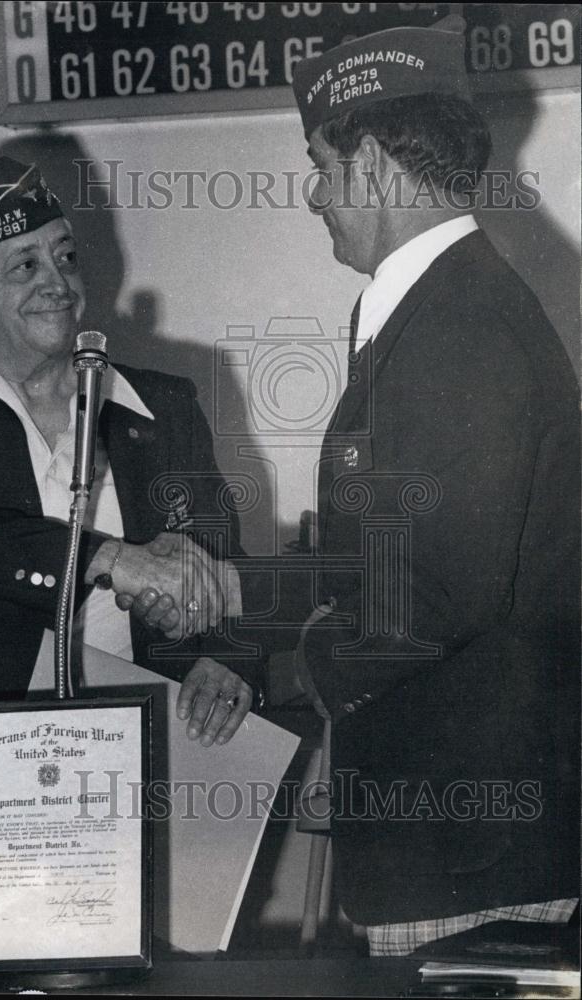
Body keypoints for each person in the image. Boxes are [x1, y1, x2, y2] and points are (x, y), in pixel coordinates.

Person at [148, 15, 580, 955]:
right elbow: (382, 565)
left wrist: (278, 669)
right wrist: (229, 594)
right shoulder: (442, 308)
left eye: (320, 165)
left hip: (465, 839)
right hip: (453, 822)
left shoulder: (455, 329)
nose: (313, 196)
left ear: (375, 166)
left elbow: (428, 598)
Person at [0, 158, 259, 906]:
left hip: (133, 771)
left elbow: (219, 554)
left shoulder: (159, 402)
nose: (54, 280)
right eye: (22, 264)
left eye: (63, 256)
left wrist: (226, 658)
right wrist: (111, 560)